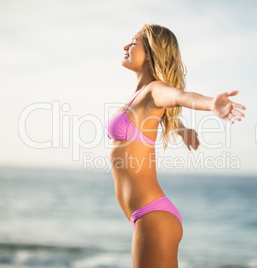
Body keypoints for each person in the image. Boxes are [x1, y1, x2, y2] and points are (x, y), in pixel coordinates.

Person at [105, 24, 245, 268]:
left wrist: (211, 103)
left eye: (134, 42)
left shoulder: (155, 89)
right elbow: (159, 114)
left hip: (153, 216)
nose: (126, 47)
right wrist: (180, 129)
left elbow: (180, 96)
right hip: (145, 216)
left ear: (150, 53)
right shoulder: (140, 97)